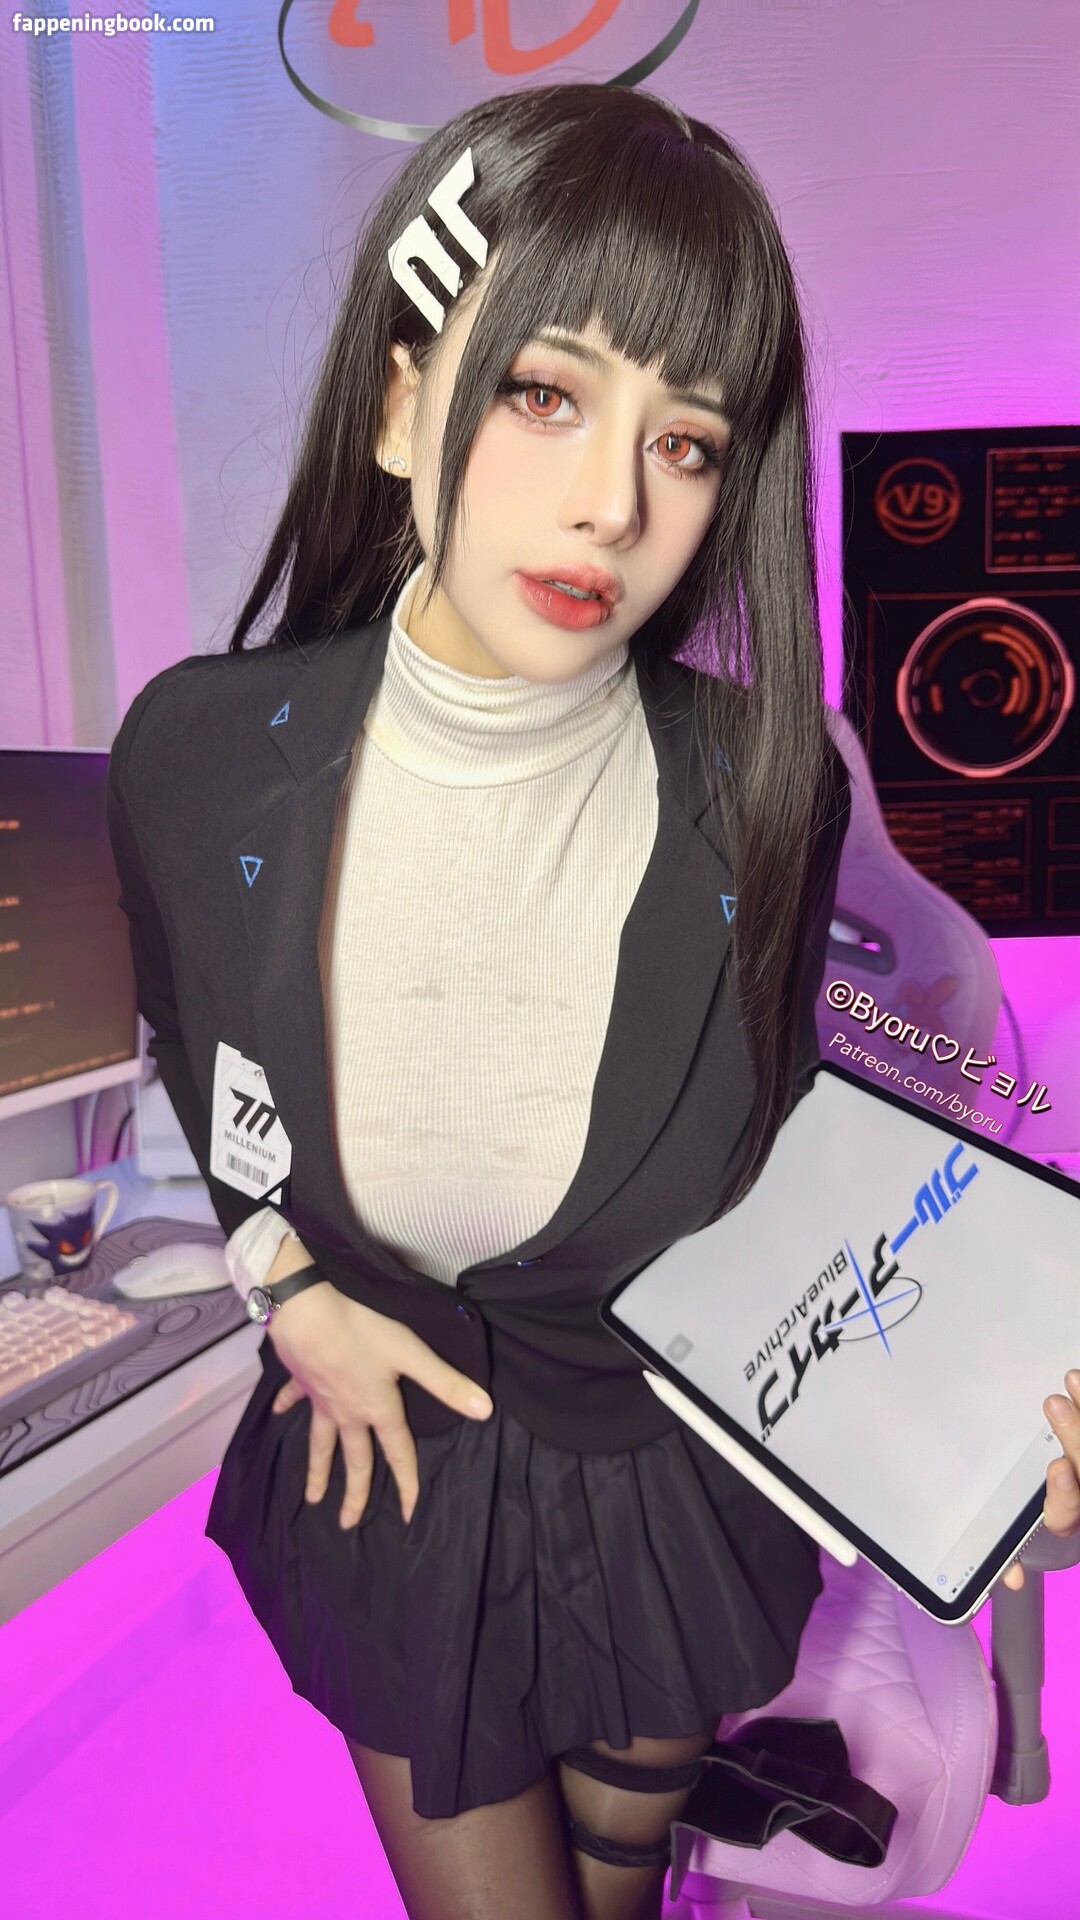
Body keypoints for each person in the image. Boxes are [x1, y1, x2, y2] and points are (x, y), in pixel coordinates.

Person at [106, 83, 1079, 1920]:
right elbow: (193, 1041)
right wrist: (282, 1282)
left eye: (685, 439)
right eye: (546, 394)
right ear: (405, 402)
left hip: (665, 1485)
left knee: (635, 1878)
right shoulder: (198, 756)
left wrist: (1005, 1381)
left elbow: (847, 1108)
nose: (615, 504)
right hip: (395, 1470)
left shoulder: (768, 785)